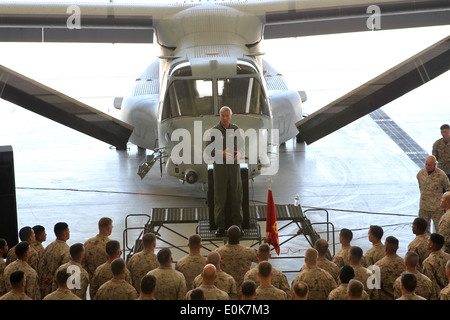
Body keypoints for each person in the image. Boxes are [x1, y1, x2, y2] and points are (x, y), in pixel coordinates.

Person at [205, 106, 245, 236]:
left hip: (234, 168)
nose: (225, 118)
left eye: (227, 116)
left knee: (236, 197)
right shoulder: (214, 131)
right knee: (220, 197)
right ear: (220, 116)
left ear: (231, 116)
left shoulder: (236, 130)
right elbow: (208, 151)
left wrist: (239, 153)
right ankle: (220, 226)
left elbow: (242, 146)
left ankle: (238, 226)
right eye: (223, 116)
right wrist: (220, 153)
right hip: (220, 168)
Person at [215, 225, 258, 289]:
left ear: (227, 236)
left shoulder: (218, 252)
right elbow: (262, 259)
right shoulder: (248, 252)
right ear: (240, 236)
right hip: (243, 288)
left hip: (226, 288)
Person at [417, 155, 450, 232]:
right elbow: (420, 187)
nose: (427, 166)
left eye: (429, 165)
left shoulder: (441, 174)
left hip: (436, 208)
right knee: (423, 230)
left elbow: (448, 188)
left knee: (440, 229)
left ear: (434, 164)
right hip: (424, 207)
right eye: (426, 164)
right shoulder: (421, 173)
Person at [39, 222, 71, 296]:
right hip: (57, 286)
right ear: (64, 234)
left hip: (46, 285)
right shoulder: (66, 250)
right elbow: (64, 271)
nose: (69, 232)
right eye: (68, 231)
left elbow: (42, 264)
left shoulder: (49, 247)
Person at [374, 236, 405, 300]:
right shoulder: (405, 264)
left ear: (385, 248)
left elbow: (375, 290)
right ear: (397, 248)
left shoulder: (378, 266)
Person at [422, 233, 450, 299]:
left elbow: (432, 285)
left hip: (440, 295)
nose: (427, 242)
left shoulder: (428, 262)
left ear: (431, 244)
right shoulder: (448, 257)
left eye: (428, 240)